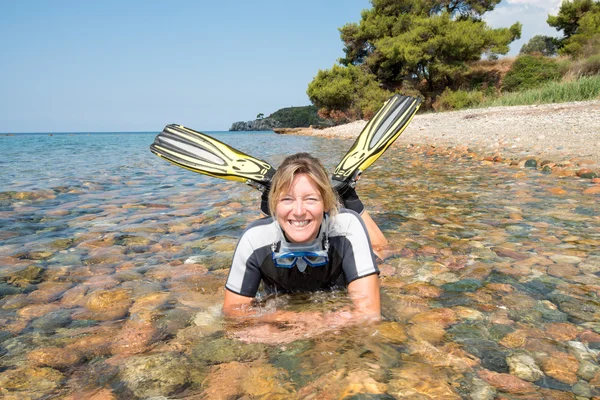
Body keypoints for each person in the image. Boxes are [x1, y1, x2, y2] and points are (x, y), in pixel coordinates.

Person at [223, 152, 381, 321]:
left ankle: (347, 194)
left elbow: (369, 314)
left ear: (326, 203)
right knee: (279, 225)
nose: (299, 211)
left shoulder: (347, 226)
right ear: (275, 204)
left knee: (382, 253)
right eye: (287, 199)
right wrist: (310, 320)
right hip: (273, 224)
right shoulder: (253, 238)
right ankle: (268, 197)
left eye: (311, 199)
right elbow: (233, 312)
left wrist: (280, 323)